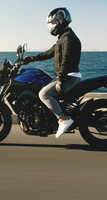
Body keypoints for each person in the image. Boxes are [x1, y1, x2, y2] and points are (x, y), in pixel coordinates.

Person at [23, 7, 82, 138]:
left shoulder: (69, 39)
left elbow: (66, 61)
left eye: (53, 23)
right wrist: (29, 59)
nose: (52, 26)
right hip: (65, 76)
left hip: (69, 77)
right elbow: (49, 53)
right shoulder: (63, 38)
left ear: (61, 20)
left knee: (43, 94)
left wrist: (60, 79)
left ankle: (63, 119)